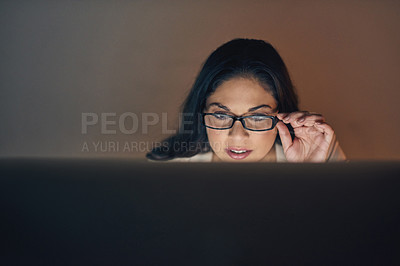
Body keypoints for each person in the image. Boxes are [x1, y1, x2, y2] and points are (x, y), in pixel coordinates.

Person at [146, 38, 346, 162]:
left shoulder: (315, 161)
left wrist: (313, 175)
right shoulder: (168, 172)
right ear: (201, 112)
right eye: (221, 115)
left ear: (281, 116)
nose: (238, 135)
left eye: (258, 117)